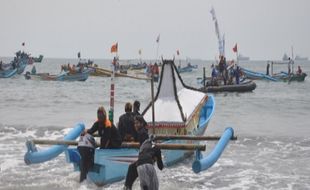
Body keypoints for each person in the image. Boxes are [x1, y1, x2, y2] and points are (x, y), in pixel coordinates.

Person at [124, 115, 149, 190]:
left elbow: (145, 148)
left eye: (137, 123)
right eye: (135, 123)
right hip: (145, 160)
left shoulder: (142, 133)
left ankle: (127, 187)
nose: (135, 125)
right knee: (144, 182)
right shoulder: (142, 131)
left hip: (145, 160)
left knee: (132, 170)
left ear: (141, 123)